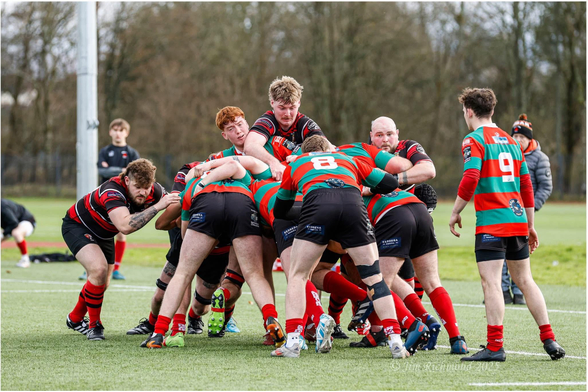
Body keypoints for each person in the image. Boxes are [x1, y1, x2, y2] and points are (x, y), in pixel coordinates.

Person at [449, 87, 565, 361]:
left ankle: (495, 346)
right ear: (492, 110)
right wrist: (530, 224)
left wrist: (455, 211)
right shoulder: (511, 141)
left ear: (468, 111)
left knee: (490, 283)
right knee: (525, 280)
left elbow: (471, 176)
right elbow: (526, 185)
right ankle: (550, 340)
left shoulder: (473, 140)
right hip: (517, 221)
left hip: (492, 223)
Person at [271, 135, 408, 359]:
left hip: (317, 205)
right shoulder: (347, 159)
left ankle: (293, 343)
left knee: (298, 275)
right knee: (374, 278)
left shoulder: (296, 163)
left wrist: (308, 211)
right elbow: (390, 183)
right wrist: (366, 189)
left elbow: (281, 211)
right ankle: (395, 341)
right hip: (352, 204)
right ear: (328, 148)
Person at [142, 156, 284, 349]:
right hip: (241, 203)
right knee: (255, 275)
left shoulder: (192, 186)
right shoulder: (243, 177)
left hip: (206, 204)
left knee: (183, 272)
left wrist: (206, 241)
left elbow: (184, 233)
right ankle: (270, 319)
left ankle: (158, 333)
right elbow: (236, 165)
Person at [63, 159, 179, 340]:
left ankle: (75, 318)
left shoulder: (154, 191)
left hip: (104, 233)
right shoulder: (112, 190)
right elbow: (125, 226)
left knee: (102, 283)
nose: (143, 192)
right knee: (98, 270)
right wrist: (157, 207)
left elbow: (174, 207)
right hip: (79, 226)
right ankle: (95, 326)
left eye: (146, 187)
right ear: (126, 181)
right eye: (137, 186)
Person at [500, 114, 554, 305]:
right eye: (515, 137)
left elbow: (545, 186)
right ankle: (503, 291)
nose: (518, 140)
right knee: (502, 250)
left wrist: (531, 207)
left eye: (522, 137)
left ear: (529, 139)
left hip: (524, 213)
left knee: (520, 251)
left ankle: (519, 292)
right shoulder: (506, 154)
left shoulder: (540, 158)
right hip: (506, 210)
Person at [79, 119, 140, 281]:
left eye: (121, 130)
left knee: (121, 233)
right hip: (104, 197)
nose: (118, 133)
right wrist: (122, 170)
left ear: (126, 133)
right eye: (115, 130)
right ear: (110, 132)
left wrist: (113, 170)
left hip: (123, 198)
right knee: (96, 231)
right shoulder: (105, 151)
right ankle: (90, 267)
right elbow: (102, 170)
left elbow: (134, 173)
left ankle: (116, 269)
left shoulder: (132, 153)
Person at [244, 76, 328, 181]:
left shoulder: (305, 123)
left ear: (299, 104)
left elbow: (328, 148)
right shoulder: (267, 121)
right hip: (272, 175)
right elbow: (250, 146)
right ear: (272, 103)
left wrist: (300, 158)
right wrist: (273, 162)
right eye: (282, 108)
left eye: (292, 108)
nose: (287, 114)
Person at [1, 199, 36, 268]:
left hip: (27, 221)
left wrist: (3, 234)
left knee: (16, 233)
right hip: (12, 224)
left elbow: (14, 224)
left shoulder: (2, 207)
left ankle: (25, 260)